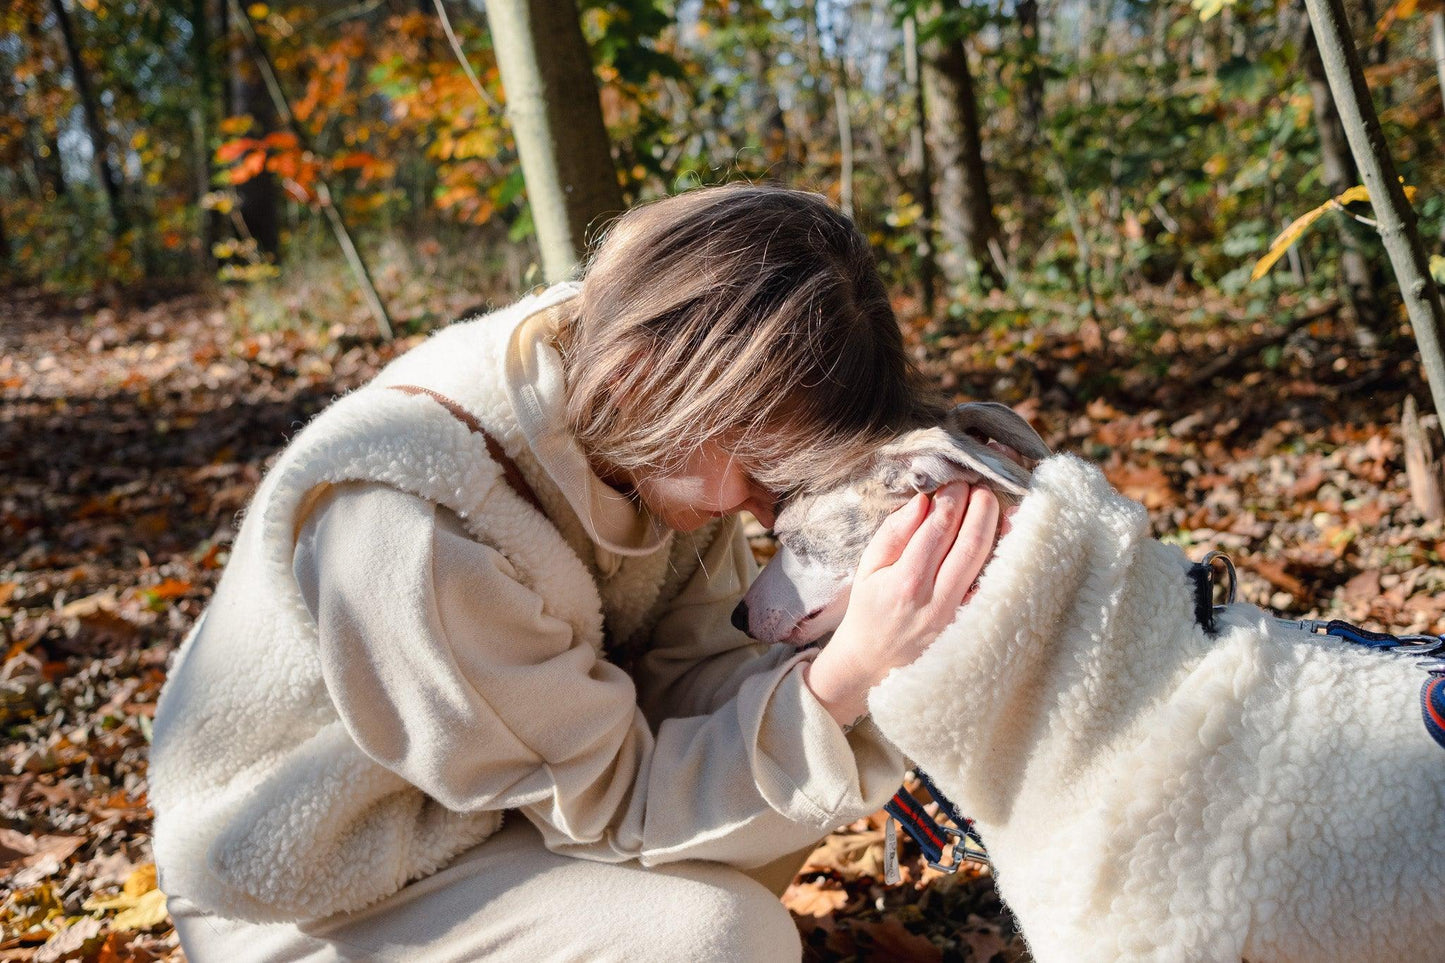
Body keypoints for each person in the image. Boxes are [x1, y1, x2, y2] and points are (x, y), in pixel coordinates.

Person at [149, 183, 1003, 961]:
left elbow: (692, 681)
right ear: (647, 380)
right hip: (314, 887)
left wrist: (853, 652)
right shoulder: (419, 522)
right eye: (757, 470)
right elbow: (615, 798)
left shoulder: (653, 421)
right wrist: (848, 674)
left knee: (784, 753)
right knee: (721, 936)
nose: (764, 510)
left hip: (487, 815)